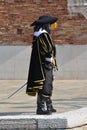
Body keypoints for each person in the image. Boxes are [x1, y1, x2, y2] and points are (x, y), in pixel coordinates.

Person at [26, 15, 58, 115]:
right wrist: (50, 59)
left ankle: (49, 105)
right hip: (44, 65)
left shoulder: (38, 35)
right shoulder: (43, 36)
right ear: (45, 25)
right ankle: (40, 108)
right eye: (49, 25)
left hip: (45, 64)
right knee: (45, 86)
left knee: (48, 85)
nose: (50, 27)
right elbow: (48, 49)